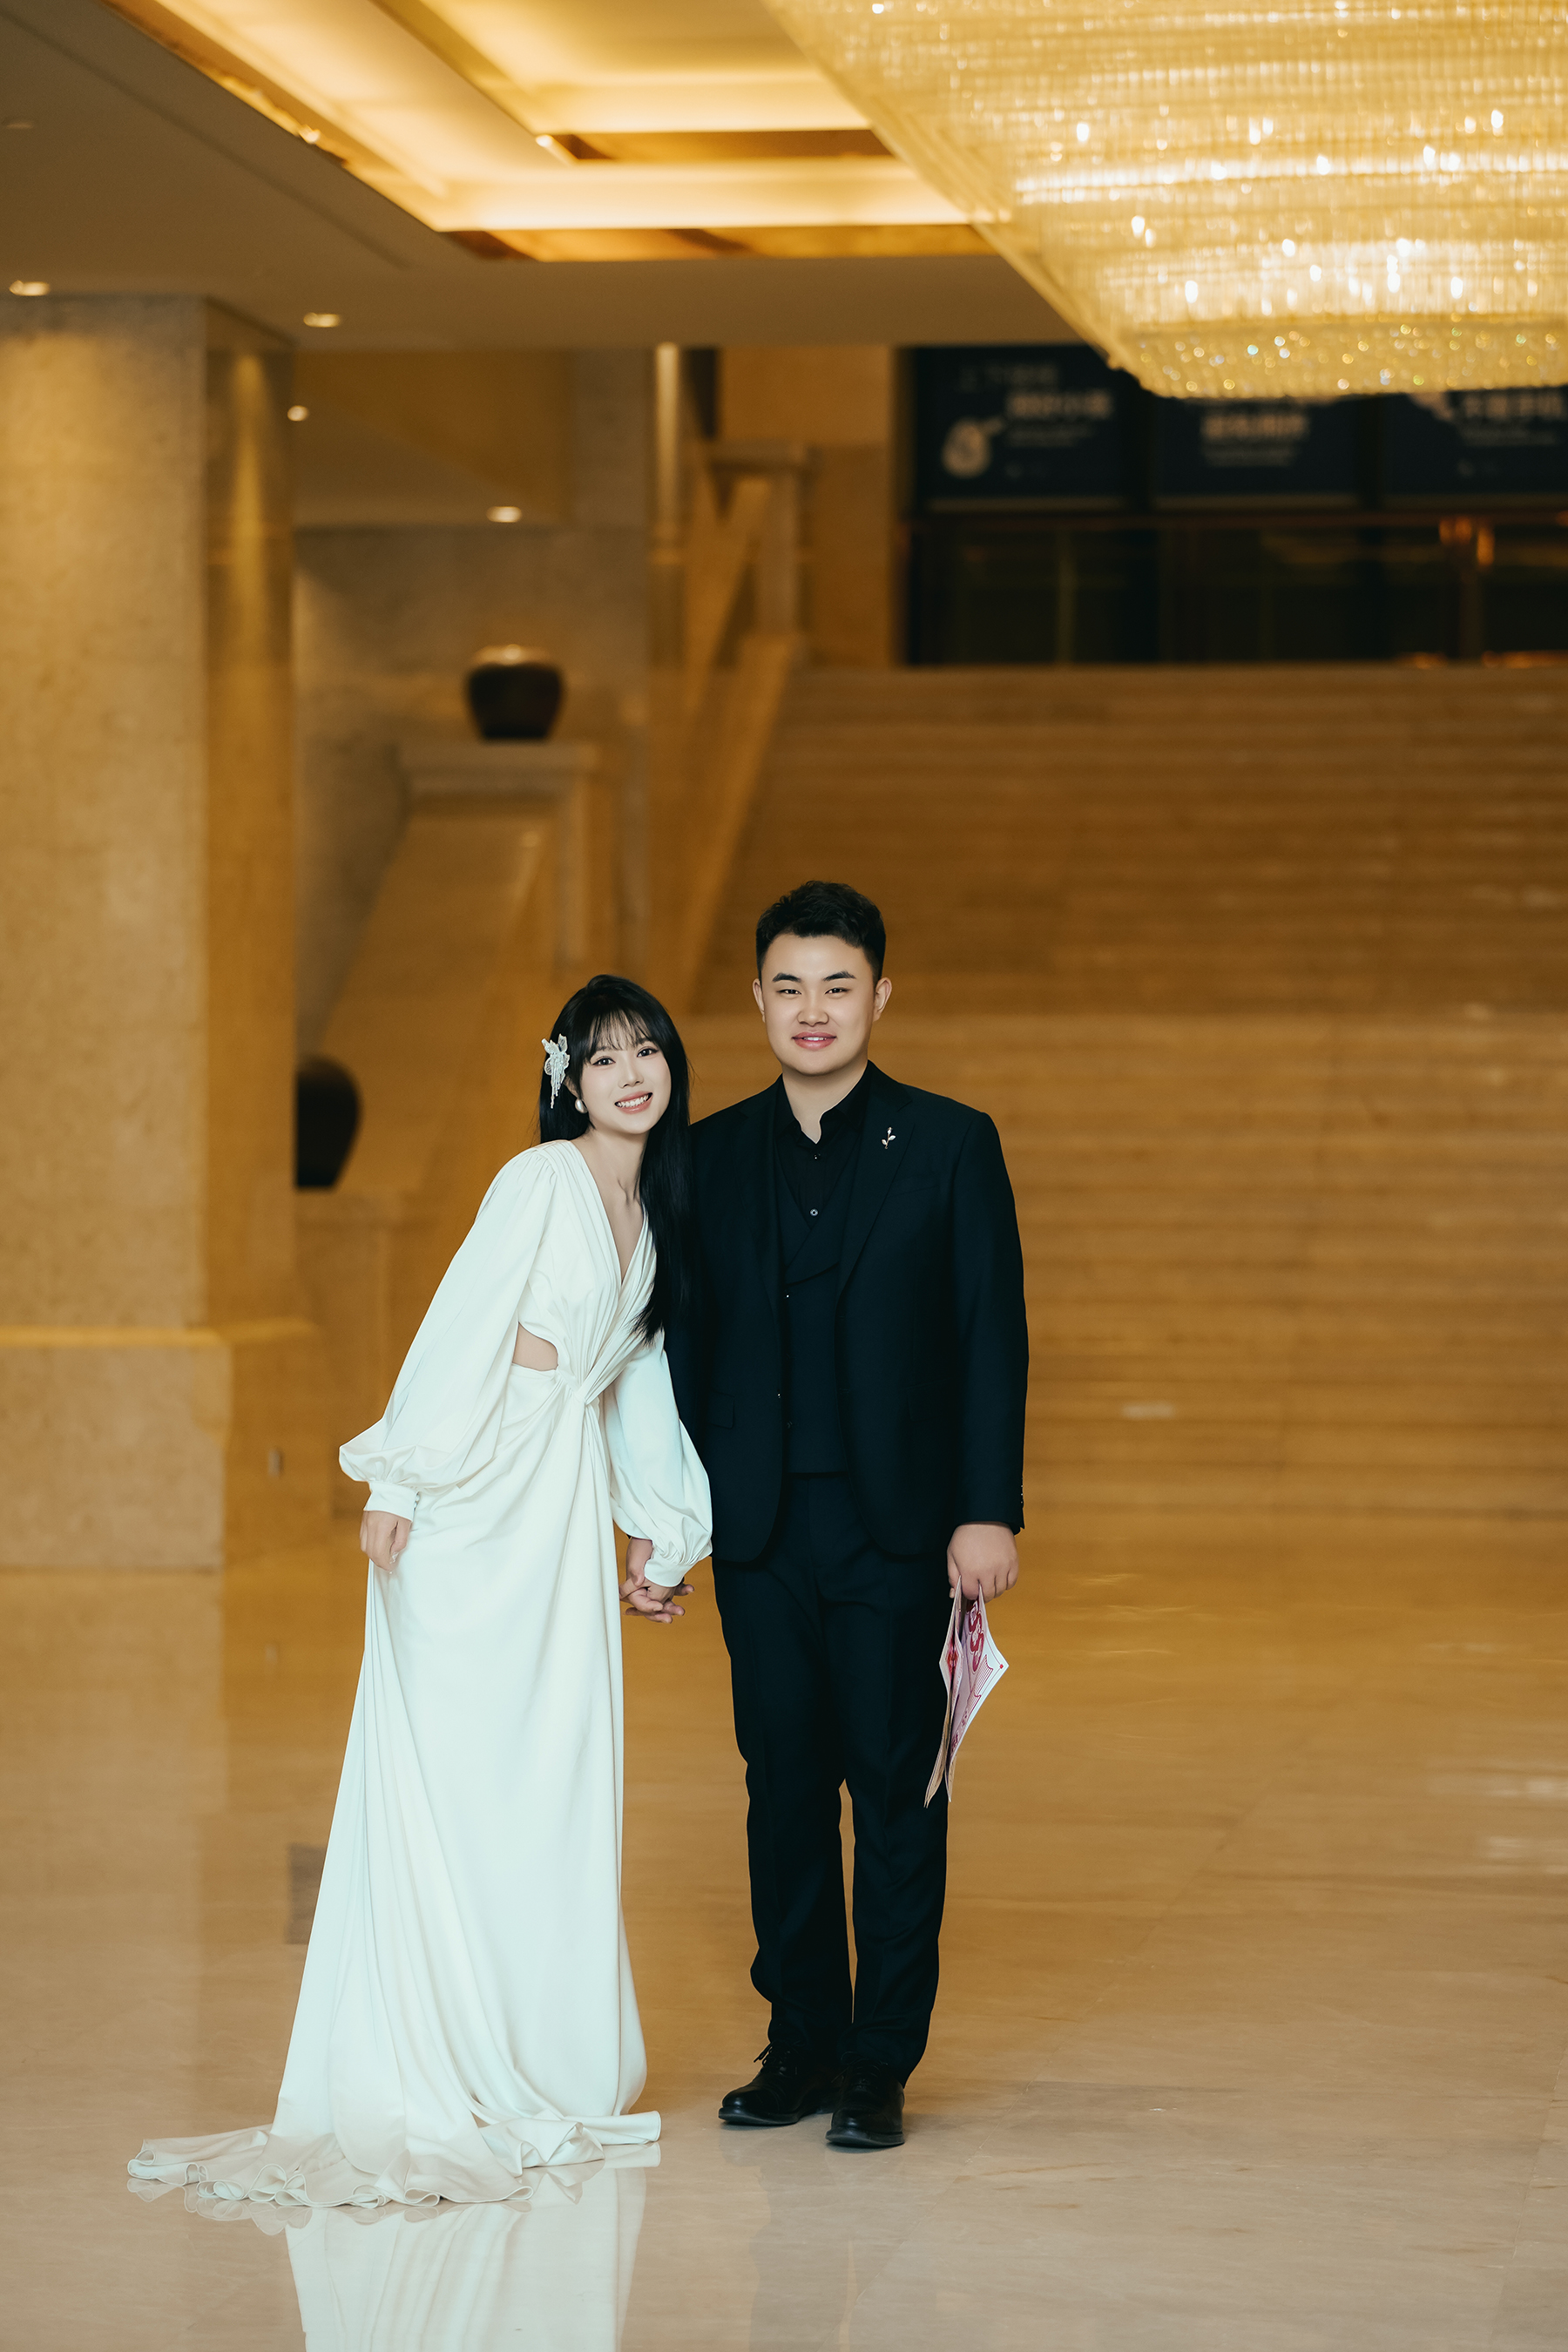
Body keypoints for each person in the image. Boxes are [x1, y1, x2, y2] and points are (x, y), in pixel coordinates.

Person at [130, 975, 711, 2209]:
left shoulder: (662, 1206)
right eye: (603, 1059)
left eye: (647, 1052)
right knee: (458, 1777)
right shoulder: (538, 1181)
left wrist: (661, 1537)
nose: (630, 1076)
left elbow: (638, 1385)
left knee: (552, 1773)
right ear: (568, 1082)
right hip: (474, 1507)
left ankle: (539, 2058)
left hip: (557, 1515)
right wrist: (400, 1478)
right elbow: (462, 1326)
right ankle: (434, 2055)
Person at [663, 881, 1028, 2153]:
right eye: (788, 986)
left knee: (896, 1796)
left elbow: (989, 1339)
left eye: (837, 985)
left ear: (880, 995)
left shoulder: (950, 1144)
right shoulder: (708, 1156)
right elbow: (679, 1355)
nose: (811, 1010)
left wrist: (986, 1513)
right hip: (759, 1532)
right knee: (781, 1792)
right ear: (757, 1001)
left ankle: (879, 2062)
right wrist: (671, 1522)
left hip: (900, 1534)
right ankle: (802, 2042)